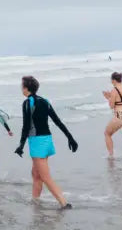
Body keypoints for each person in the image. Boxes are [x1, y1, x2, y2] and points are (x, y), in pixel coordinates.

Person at [15, 76, 77, 209]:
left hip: (37, 143)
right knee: (36, 174)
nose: (21, 88)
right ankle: (35, 201)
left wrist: (21, 145)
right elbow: (57, 121)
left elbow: (26, 126)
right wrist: (70, 137)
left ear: (26, 88)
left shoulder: (27, 103)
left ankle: (64, 203)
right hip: (47, 141)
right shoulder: (45, 101)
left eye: (22, 86)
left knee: (45, 176)